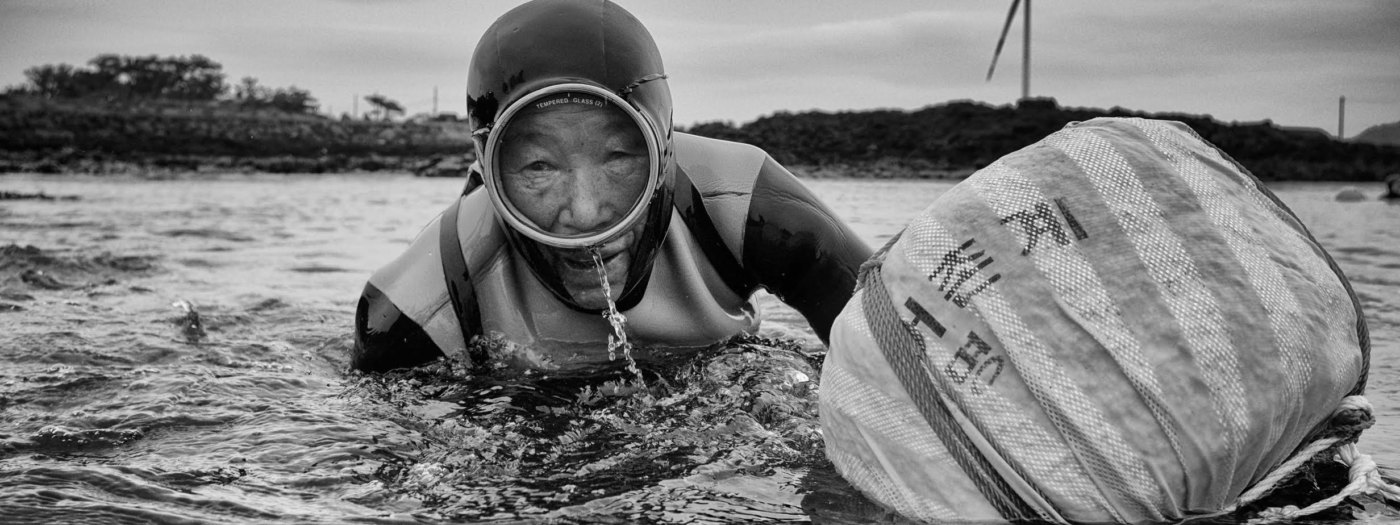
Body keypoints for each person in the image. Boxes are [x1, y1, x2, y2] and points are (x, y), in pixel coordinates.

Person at [350, 0, 871, 373]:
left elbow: (908, 355)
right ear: (488, 168)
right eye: (538, 167)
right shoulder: (421, 301)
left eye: (618, 157)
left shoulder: (744, 204)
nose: (585, 213)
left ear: (664, 147)